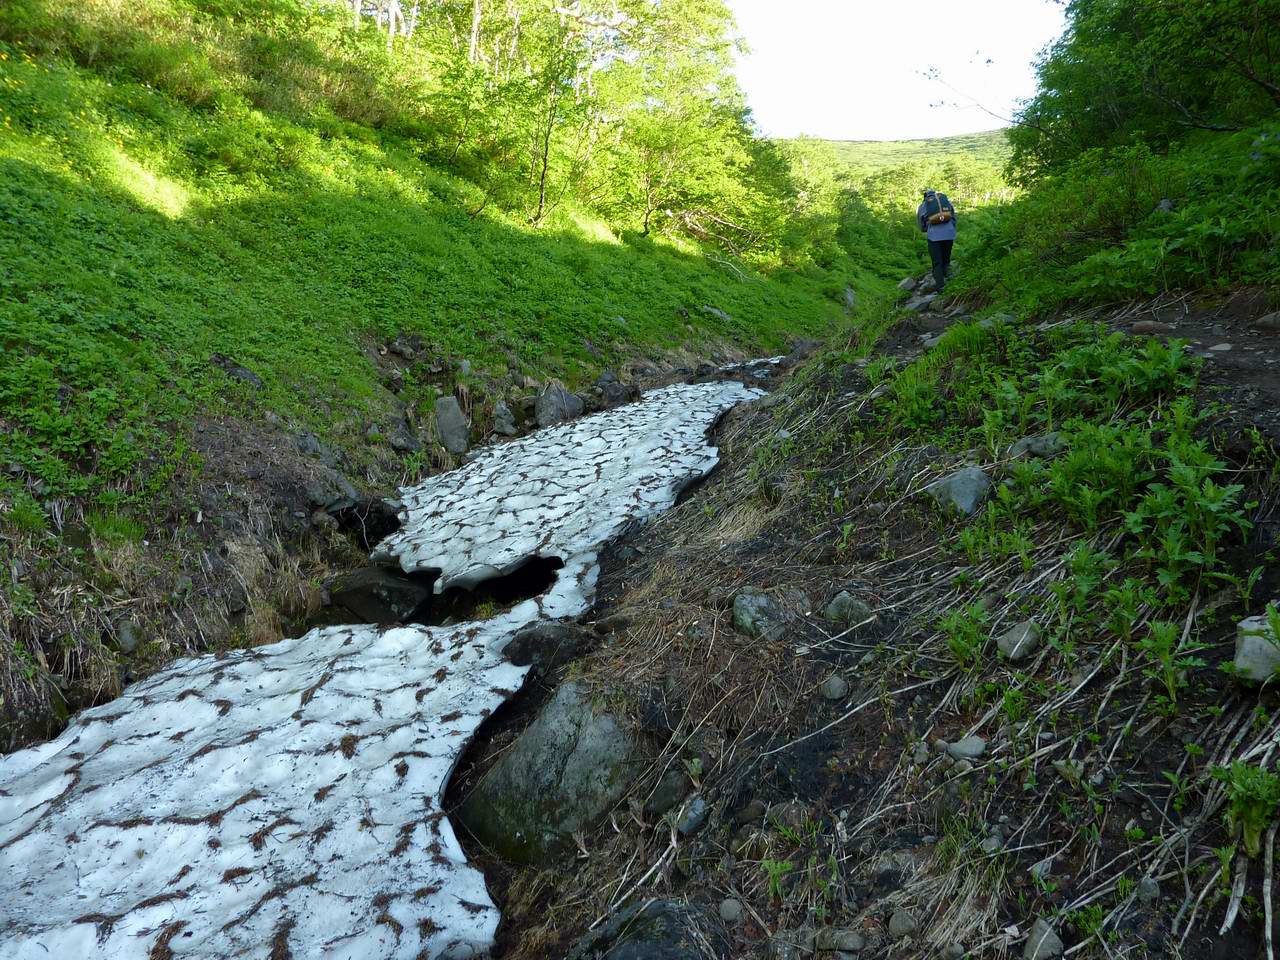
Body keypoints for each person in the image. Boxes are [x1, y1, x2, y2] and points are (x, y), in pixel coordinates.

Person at [917, 188, 957, 292]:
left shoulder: (923, 205)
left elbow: (921, 223)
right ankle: (949, 281)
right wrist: (951, 228)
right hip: (949, 234)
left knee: (937, 263)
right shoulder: (945, 201)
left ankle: (941, 287)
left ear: (925, 196)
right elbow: (953, 217)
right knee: (946, 259)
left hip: (934, 237)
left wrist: (926, 229)